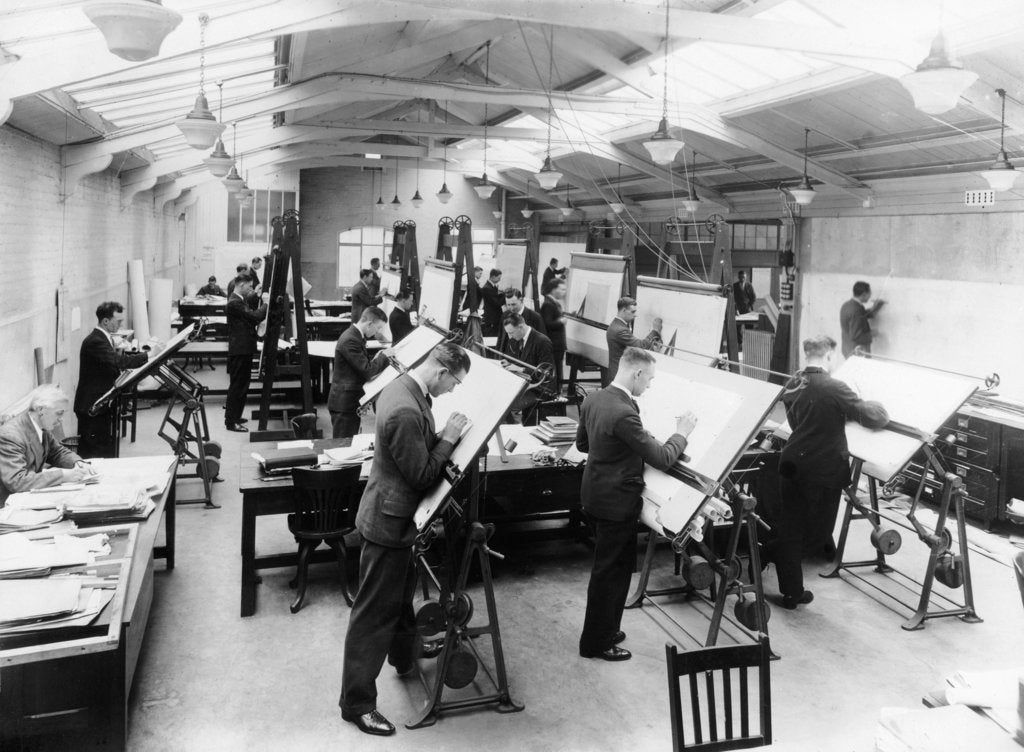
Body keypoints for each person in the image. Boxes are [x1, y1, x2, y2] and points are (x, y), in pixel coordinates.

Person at [340, 342, 471, 737]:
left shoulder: (404, 386)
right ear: (441, 371)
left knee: (399, 602)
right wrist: (448, 438)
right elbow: (421, 475)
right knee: (373, 614)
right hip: (388, 522)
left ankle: (403, 656)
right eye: (455, 383)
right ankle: (357, 704)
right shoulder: (405, 409)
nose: (452, 391)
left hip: (394, 516)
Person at [575, 347, 696, 661]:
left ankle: (607, 629)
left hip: (594, 496)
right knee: (610, 574)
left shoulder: (595, 398)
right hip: (616, 503)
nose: (650, 386)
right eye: (650, 379)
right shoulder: (624, 412)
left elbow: (583, 444)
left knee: (615, 569)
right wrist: (681, 434)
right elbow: (663, 458)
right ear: (636, 373)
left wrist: (626, 443)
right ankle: (595, 643)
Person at [770, 335, 889, 609]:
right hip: (821, 471)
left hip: (792, 463)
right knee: (819, 534)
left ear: (806, 354)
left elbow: (798, 420)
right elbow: (874, 417)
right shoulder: (835, 387)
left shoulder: (793, 383)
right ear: (829, 357)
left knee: (791, 527)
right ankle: (772, 551)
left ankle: (792, 591)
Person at [74, 301, 153, 458]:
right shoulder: (95, 341)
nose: (121, 325)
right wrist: (149, 354)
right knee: (93, 452)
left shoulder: (103, 338)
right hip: (91, 405)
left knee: (103, 447)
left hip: (99, 403)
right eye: (118, 321)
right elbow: (119, 362)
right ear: (105, 321)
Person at [0, 385, 95, 505]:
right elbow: (17, 481)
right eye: (59, 413)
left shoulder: (40, 426)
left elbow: (57, 452)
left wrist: (77, 463)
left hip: (25, 496)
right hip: (6, 505)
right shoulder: (11, 436)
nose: (61, 420)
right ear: (41, 410)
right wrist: (62, 475)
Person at [327, 307, 391, 439]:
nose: (377, 332)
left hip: (348, 402)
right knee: (342, 447)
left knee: (348, 444)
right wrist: (383, 357)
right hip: (343, 405)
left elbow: (359, 369)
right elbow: (367, 371)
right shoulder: (350, 339)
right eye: (378, 328)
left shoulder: (356, 336)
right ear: (369, 324)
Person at [225, 275, 269, 432]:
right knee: (238, 386)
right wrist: (266, 303)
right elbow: (254, 316)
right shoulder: (234, 303)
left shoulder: (238, 299)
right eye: (249, 286)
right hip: (240, 350)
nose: (251, 289)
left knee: (242, 385)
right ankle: (231, 422)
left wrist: (256, 294)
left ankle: (235, 416)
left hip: (243, 349)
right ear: (241, 285)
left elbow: (247, 307)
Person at [500, 311, 555, 420]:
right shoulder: (517, 339)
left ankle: (512, 431)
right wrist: (510, 364)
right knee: (498, 399)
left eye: (511, 332)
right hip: (525, 385)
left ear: (520, 327)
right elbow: (522, 360)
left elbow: (547, 374)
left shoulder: (542, 341)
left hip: (540, 389)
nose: (509, 337)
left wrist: (521, 369)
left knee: (505, 405)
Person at [605, 296, 662, 386]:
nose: (635, 315)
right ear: (623, 310)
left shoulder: (616, 325)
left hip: (616, 372)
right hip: (619, 375)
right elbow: (641, 345)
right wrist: (655, 331)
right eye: (632, 312)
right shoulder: (620, 330)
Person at [839, 280, 885, 358]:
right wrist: (871, 334)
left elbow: (861, 317)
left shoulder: (848, 305)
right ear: (863, 295)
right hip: (857, 352)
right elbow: (856, 336)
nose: (870, 296)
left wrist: (875, 307)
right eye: (869, 294)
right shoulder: (856, 310)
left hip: (848, 349)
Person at [495, 287, 545, 353]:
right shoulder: (504, 316)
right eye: (508, 305)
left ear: (521, 300)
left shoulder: (535, 317)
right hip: (507, 358)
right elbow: (500, 340)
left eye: (513, 304)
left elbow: (542, 342)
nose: (511, 308)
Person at [540, 278, 567, 390]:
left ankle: (557, 390)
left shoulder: (552, 302)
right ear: (553, 289)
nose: (564, 292)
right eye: (562, 289)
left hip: (556, 344)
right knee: (556, 370)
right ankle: (556, 392)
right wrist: (560, 322)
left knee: (557, 369)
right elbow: (547, 324)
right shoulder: (548, 304)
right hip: (554, 344)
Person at [480, 268, 504, 337]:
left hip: (493, 317)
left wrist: (502, 294)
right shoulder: (487, 288)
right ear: (493, 277)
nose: (500, 280)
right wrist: (506, 296)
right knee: (491, 337)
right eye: (499, 278)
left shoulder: (491, 287)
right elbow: (497, 303)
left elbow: (495, 297)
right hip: (491, 318)